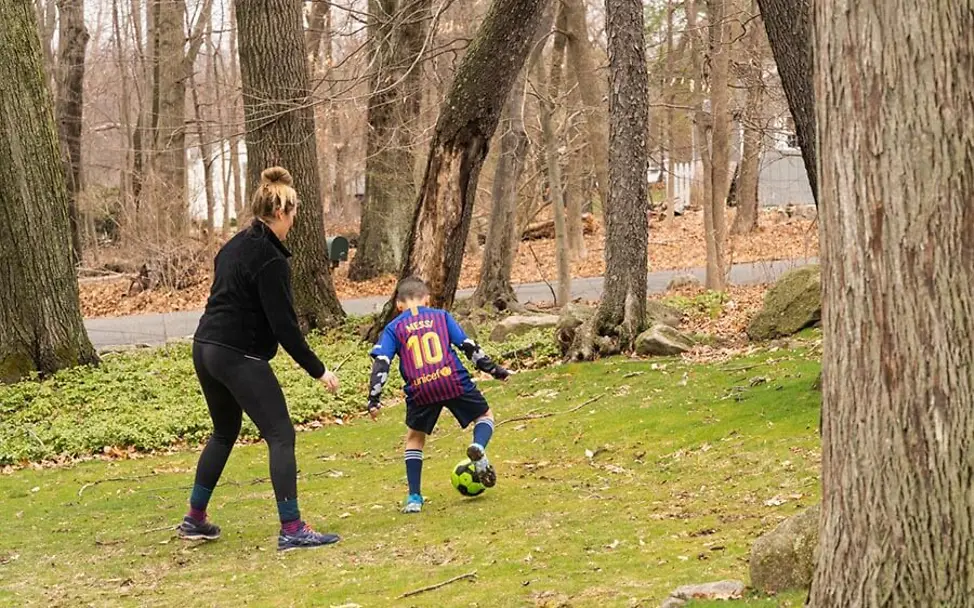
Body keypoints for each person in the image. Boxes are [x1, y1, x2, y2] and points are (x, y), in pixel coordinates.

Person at [178, 167, 342, 551]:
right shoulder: (271, 259)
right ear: (283, 211)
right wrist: (319, 370)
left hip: (205, 348)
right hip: (237, 354)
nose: (296, 217)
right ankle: (292, 528)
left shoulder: (233, 245)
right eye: (295, 210)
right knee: (281, 434)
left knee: (224, 432)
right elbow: (285, 328)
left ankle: (195, 519)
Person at [366, 277, 511, 513]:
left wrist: (374, 398)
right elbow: (467, 345)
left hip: (420, 388)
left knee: (415, 438)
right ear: (427, 299)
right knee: (484, 415)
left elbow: (382, 361)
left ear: (398, 305)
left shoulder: (394, 328)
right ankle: (478, 445)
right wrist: (495, 370)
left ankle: (414, 498)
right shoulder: (441, 317)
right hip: (452, 379)